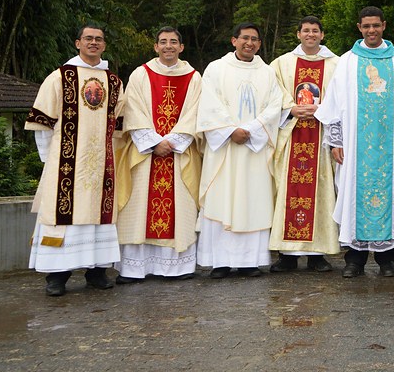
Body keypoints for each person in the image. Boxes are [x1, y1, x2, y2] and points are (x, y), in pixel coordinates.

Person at [315, 6, 394, 277]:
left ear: (384, 26)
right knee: (353, 192)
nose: (371, 31)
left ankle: (387, 259)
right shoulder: (348, 61)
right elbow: (334, 103)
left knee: (393, 194)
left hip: (392, 144)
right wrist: (336, 141)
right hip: (356, 146)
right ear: (359, 28)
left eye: (376, 26)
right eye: (366, 26)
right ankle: (355, 259)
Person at [25, 24, 125, 296]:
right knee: (61, 217)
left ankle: (97, 272)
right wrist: (50, 160)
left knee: (98, 215)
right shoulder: (59, 77)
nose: (94, 43)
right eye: (88, 38)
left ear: (104, 45)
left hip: (101, 164)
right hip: (65, 164)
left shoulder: (114, 82)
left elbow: (118, 130)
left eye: (99, 39)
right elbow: (43, 124)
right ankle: (57, 277)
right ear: (77, 42)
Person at [196, 22, 283, 278]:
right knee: (221, 198)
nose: (250, 43)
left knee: (252, 200)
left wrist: (252, 129)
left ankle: (250, 262)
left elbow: (274, 106)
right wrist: (230, 131)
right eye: (245, 38)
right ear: (233, 40)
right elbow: (209, 103)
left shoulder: (267, 72)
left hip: (254, 150)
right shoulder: (216, 68)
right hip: (224, 148)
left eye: (255, 39)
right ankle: (219, 262)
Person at [115, 27, 202, 283]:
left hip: (179, 155)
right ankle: (134, 269)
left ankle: (177, 268)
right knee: (138, 205)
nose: (168, 46)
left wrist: (173, 141)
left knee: (180, 207)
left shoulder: (194, 77)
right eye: (163, 42)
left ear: (181, 47)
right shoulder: (140, 74)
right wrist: (154, 142)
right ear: (155, 47)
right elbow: (133, 110)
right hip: (145, 155)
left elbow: (195, 112)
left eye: (173, 42)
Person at [268, 16, 341, 273]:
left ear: (322, 35)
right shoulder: (282, 64)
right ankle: (286, 254)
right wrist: (291, 108)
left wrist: (320, 109)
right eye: (306, 30)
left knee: (321, 191)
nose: (310, 34)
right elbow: (271, 95)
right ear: (298, 34)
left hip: (321, 140)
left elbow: (342, 99)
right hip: (291, 136)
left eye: (315, 31)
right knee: (288, 191)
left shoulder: (336, 65)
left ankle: (317, 254)